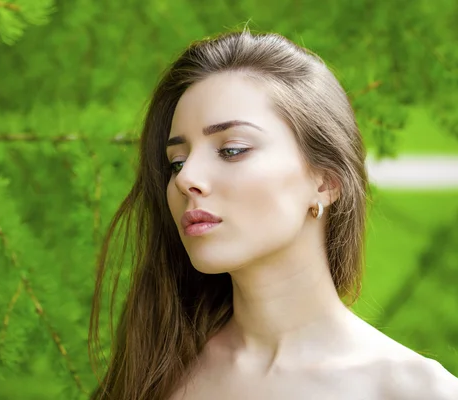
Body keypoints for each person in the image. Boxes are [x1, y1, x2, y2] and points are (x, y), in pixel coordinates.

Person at [87, 29, 458, 400]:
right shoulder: (152, 375)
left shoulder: (416, 392)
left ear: (326, 181)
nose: (186, 179)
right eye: (176, 162)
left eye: (231, 150)